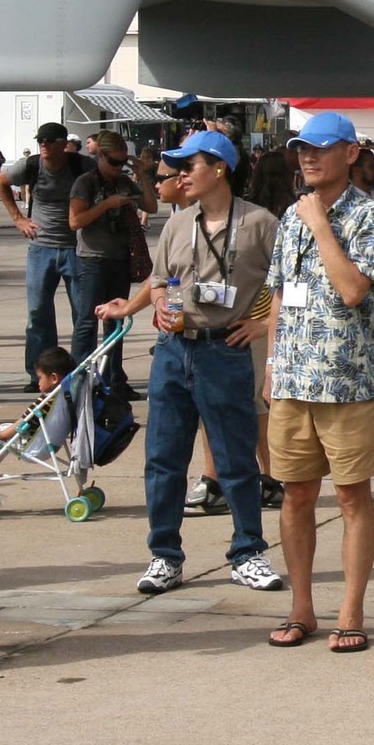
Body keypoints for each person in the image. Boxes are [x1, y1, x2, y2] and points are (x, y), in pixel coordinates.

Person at [96, 130, 288, 597]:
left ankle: (247, 552)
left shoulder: (260, 224)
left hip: (224, 351)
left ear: (219, 168)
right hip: (173, 351)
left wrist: (263, 327)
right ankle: (164, 556)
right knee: (163, 458)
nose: (180, 174)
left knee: (236, 458)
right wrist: (155, 304)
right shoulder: (179, 224)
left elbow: (289, 285)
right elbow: (160, 280)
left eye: (189, 165)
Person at [260, 113, 374, 653]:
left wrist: (321, 225)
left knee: (351, 496)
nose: (308, 157)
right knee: (295, 496)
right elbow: (276, 296)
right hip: (292, 379)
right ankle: (302, 608)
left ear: (351, 153)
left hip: (347, 381)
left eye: (320, 148)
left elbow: (354, 290)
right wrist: (271, 367)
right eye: (301, 149)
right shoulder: (290, 217)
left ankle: (351, 611)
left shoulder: (369, 217)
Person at [0, 123, 94, 387]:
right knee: (38, 314)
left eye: (50, 141)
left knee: (83, 315)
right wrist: (18, 219)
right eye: (41, 140)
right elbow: (1, 182)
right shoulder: (31, 165)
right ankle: (38, 375)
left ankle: (82, 372)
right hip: (41, 248)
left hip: (76, 248)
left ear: (64, 143)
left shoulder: (81, 165)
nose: (45, 145)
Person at [67, 130, 154, 382]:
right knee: (87, 321)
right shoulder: (86, 182)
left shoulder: (124, 182)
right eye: (113, 162)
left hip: (119, 258)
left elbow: (150, 206)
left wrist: (141, 174)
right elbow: (74, 221)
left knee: (116, 320)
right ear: (101, 156)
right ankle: (79, 378)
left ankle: (113, 377)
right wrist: (106, 204)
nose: (117, 168)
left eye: (122, 162)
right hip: (92, 259)